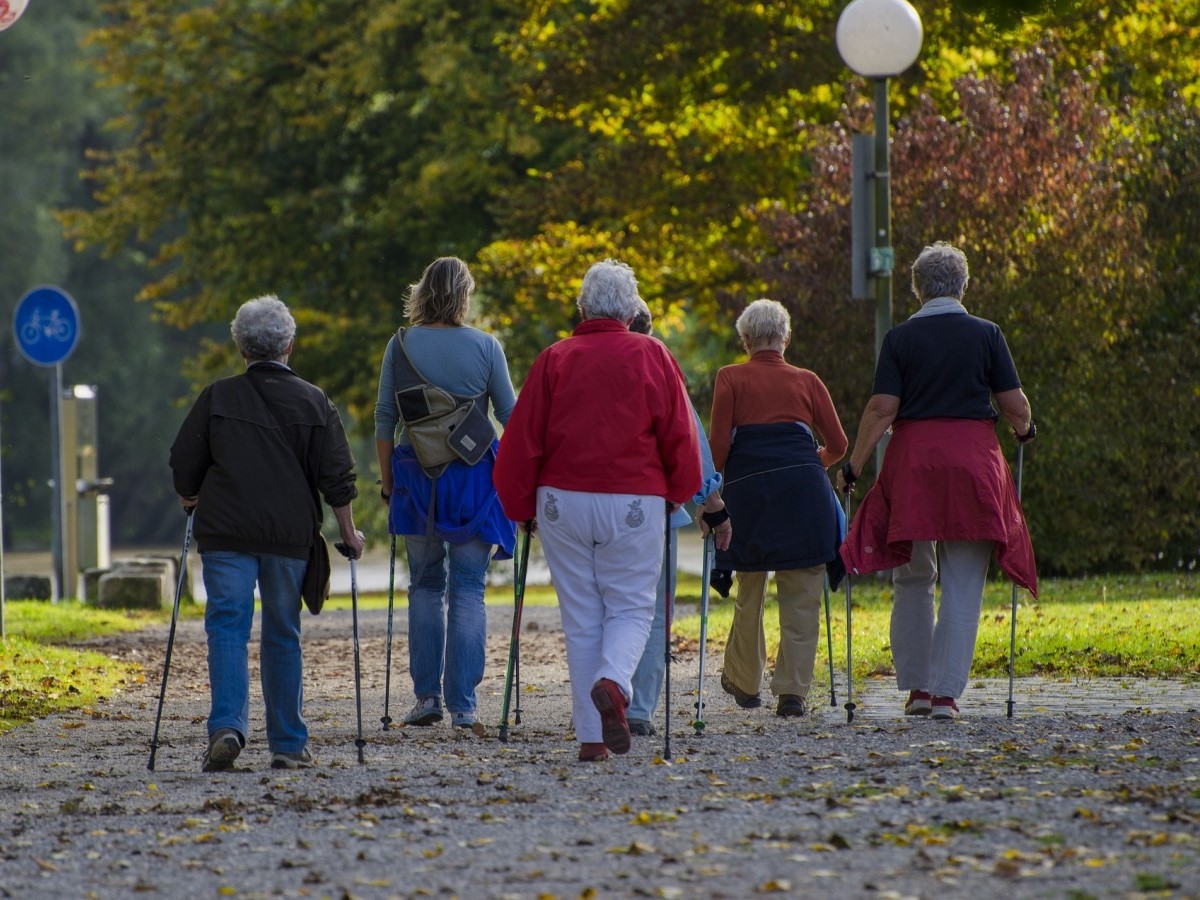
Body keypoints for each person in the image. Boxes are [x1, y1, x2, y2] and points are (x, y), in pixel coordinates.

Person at [493, 259, 701, 762]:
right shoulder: (653, 354)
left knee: (581, 615)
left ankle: (591, 739)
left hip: (562, 499)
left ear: (582, 306)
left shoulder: (554, 359)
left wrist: (520, 506)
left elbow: (522, 441)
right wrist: (680, 491)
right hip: (633, 497)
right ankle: (614, 682)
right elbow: (680, 434)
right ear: (632, 309)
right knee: (631, 606)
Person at [837, 242, 1037, 720]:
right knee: (964, 580)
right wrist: (1025, 430)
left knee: (912, 576)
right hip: (973, 463)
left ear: (918, 288)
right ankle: (947, 695)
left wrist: (854, 466)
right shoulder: (987, 334)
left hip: (913, 465)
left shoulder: (899, 339)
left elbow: (882, 409)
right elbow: (1014, 405)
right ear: (963, 285)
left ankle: (917, 690)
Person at [170, 295, 365, 772]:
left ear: (241, 347)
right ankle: (288, 744)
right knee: (283, 633)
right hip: (287, 537)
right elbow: (336, 475)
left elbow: (183, 460)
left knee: (227, 629)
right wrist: (349, 532)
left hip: (226, 535)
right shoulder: (315, 400)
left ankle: (228, 728)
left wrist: (189, 495)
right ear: (289, 347)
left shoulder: (217, 397)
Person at [374, 256, 517, 731]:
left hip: (416, 476)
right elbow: (510, 419)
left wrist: (388, 481)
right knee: (469, 588)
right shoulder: (486, 346)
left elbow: (383, 419)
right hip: (475, 477)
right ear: (464, 295)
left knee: (425, 583)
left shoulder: (400, 345)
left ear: (422, 292)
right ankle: (464, 705)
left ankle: (426, 697)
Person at [709, 298, 848, 718]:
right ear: (785, 338)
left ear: (746, 339)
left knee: (750, 588)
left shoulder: (729, 377)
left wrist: (711, 493)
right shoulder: (808, 380)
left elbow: (719, 446)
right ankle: (792, 693)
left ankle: (745, 681)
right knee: (803, 593)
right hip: (804, 496)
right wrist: (810, 464)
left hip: (749, 496)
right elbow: (839, 445)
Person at [626, 300, 729, 737]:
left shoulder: (577, 361)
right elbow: (690, 441)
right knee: (652, 611)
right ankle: (639, 708)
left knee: (604, 608)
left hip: (588, 507)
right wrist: (713, 507)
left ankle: (603, 697)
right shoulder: (660, 366)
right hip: (655, 509)